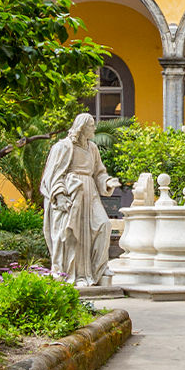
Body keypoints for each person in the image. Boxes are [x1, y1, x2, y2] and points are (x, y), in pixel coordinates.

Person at [39, 112, 121, 285]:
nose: (95, 128)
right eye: (92, 125)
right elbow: (52, 175)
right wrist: (59, 195)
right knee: (70, 234)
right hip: (72, 193)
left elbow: (99, 172)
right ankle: (68, 273)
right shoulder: (63, 147)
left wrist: (107, 181)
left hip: (90, 192)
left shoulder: (93, 148)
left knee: (104, 225)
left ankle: (97, 269)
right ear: (82, 127)